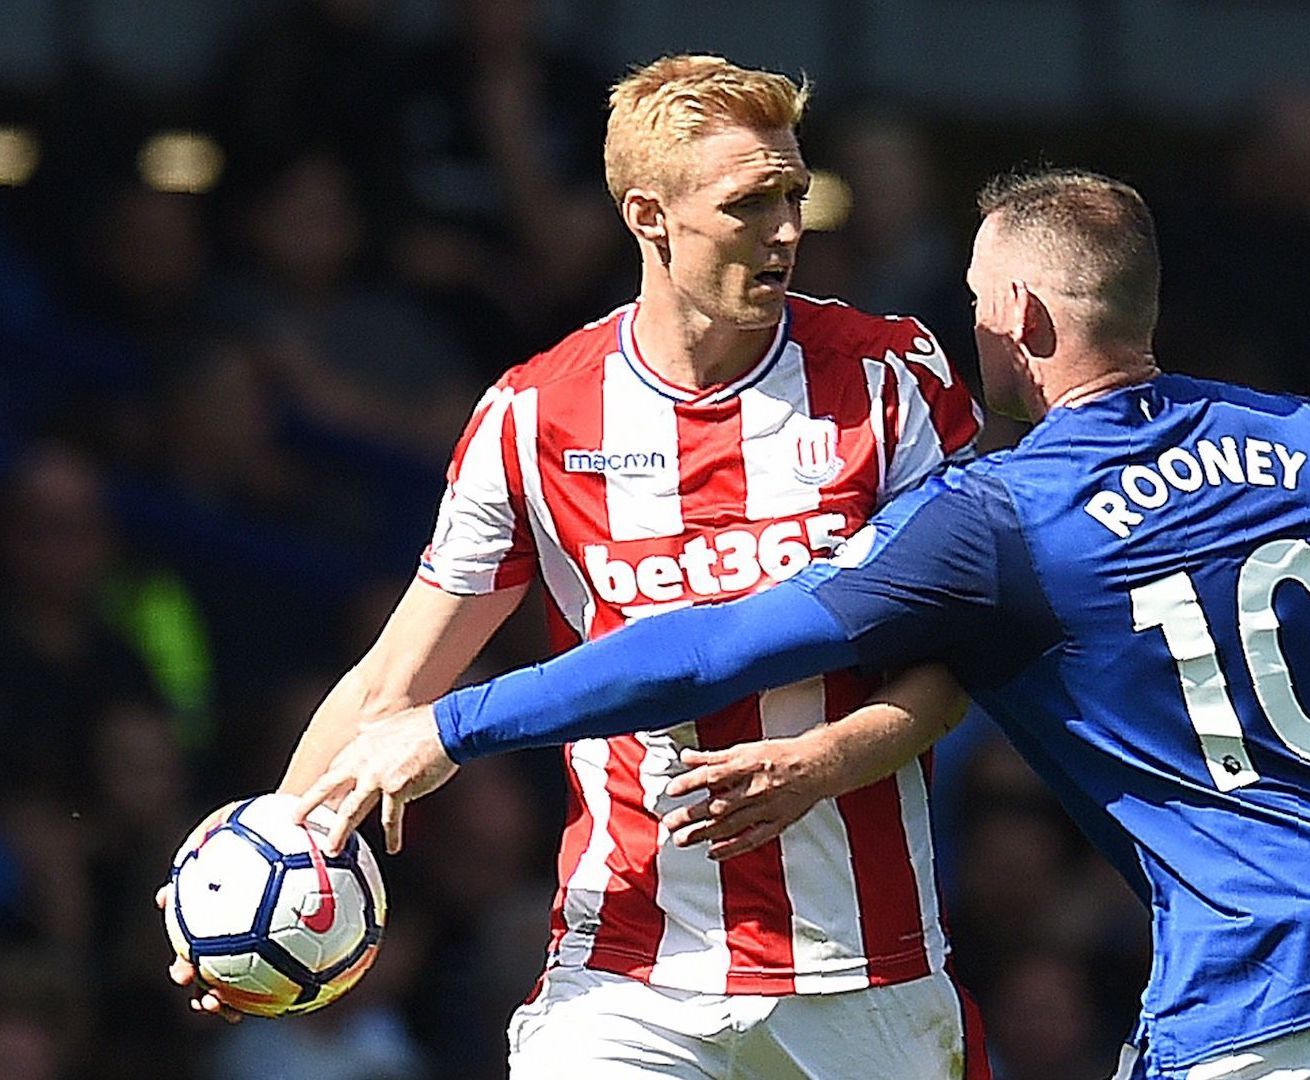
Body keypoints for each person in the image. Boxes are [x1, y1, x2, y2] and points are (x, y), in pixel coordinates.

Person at [306, 169, 1310, 1078]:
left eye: (977, 304)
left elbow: (712, 644)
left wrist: (456, 725)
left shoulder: (1000, 517)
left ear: (1027, 318)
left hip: (1269, 993)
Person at [166, 54, 989, 1079]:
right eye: (747, 204)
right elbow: (395, 682)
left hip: (863, 967)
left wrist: (818, 765)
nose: (786, 229)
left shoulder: (889, 378)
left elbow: (959, 666)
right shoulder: (533, 415)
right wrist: (258, 871)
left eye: (792, 194)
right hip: (627, 973)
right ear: (650, 215)